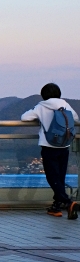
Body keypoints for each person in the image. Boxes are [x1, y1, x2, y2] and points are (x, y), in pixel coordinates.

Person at [21, 83, 79, 219]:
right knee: (60, 177)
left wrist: (40, 118)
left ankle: (68, 202)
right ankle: (56, 207)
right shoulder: (65, 104)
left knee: (52, 177)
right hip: (64, 144)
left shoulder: (41, 106)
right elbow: (75, 118)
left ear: (44, 94)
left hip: (49, 145)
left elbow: (24, 117)